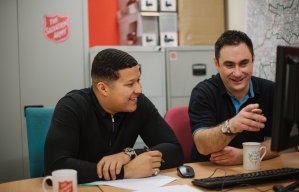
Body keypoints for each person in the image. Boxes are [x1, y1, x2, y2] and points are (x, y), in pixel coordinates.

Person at [44, 48, 183, 184]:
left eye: (138, 80)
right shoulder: (72, 106)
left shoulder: (139, 104)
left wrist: (129, 154)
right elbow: (55, 166)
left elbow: (175, 150)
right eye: (130, 84)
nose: (139, 90)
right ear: (103, 88)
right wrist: (125, 171)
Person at [189, 30, 279, 165]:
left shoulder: (271, 90)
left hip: (254, 171)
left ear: (253, 60)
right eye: (229, 65)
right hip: (210, 174)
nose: (237, 73)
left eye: (244, 63)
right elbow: (202, 145)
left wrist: (246, 155)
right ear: (216, 63)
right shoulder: (203, 92)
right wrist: (232, 126)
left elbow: (278, 144)